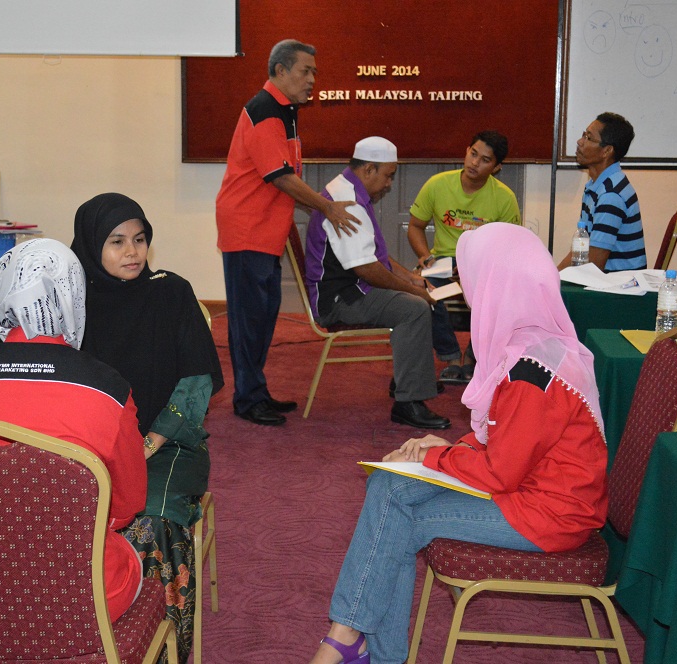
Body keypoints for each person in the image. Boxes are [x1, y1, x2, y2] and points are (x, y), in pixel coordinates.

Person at [309, 223, 608, 664]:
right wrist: (450, 447)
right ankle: (356, 641)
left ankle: (352, 641)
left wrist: (438, 455)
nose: (466, 292)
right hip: (531, 491)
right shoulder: (529, 343)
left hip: (549, 514)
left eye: (471, 278)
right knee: (388, 485)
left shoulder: (532, 372)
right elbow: (512, 442)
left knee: (398, 516)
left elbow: (502, 471)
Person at [0, 238, 147, 623]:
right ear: (74, 296)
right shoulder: (109, 389)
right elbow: (127, 505)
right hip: (82, 595)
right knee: (130, 555)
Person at [71, 193, 224, 664]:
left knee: (150, 516)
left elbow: (196, 382)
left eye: (139, 239)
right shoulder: (72, 303)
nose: (132, 252)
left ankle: (163, 647)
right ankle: (78, 635)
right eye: (116, 242)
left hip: (169, 444)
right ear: (91, 245)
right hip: (93, 445)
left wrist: (149, 442)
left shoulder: (170, 292)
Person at [215, 38, 361, 426]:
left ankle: (255, 390)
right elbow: (279, 176)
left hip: (265, 230)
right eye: (305, 71)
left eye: (314, 72)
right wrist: (327, 207)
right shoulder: (266, 110)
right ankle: (247, 399)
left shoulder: (285, 110)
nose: (312, 79)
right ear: (280, 71)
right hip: (247, 228)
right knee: (250, 319)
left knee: (263, 315)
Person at [305, 137, 449, 430]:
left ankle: (407, 380)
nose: (389, 184)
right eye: (388, 175)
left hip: (350, 288)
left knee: (415, 300)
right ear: (369, 169)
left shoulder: (346, 188)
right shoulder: (348, 203)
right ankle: (408, 403)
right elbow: (367, 269)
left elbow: (372, 256)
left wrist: (410, 277)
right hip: (338, 300)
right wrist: (413, 290)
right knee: (414, 309)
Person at [407, 130, 521, 385]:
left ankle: (472, 357)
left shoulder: (504, 198)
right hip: (442, 261)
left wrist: (475, 266)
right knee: (421, 290)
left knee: (501, 295)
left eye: (485, 160)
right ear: (467, 151)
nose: (474, 163)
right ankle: (451, 357)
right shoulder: (438, 184)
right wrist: (425, 257)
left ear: (496, 167)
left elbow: (509, 246)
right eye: (473, 154)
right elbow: (415, 226)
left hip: (483, 264)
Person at [557, 112, 646, 273]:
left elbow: (594, 265)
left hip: (618, 284)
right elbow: (580, 250)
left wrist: (555, 279)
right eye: (584, 135)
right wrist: (554, 276)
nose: (580, 142)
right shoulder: (596, 186)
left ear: (607, 151)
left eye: (589, 138)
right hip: (604, 278)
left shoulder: (611, 195)